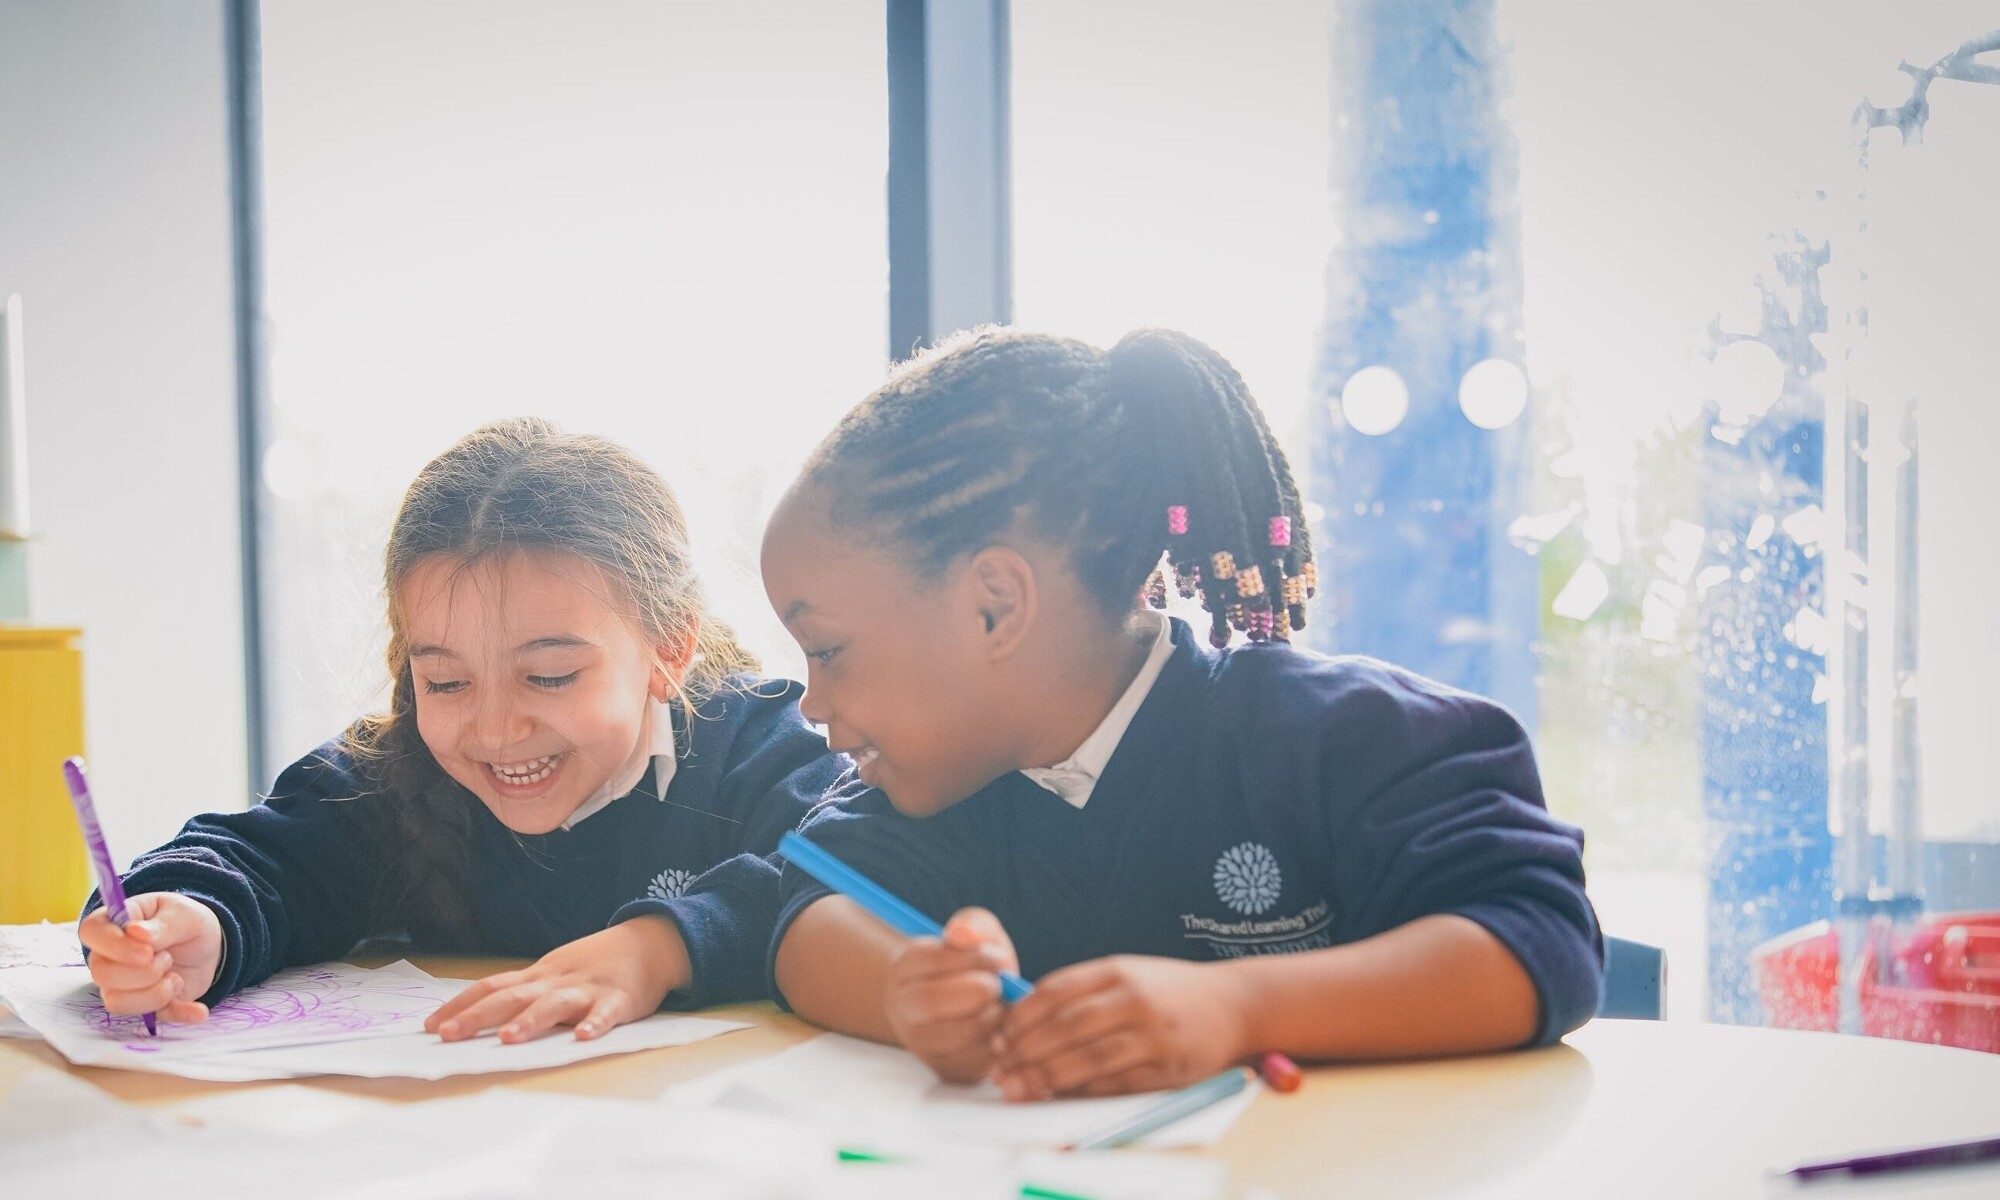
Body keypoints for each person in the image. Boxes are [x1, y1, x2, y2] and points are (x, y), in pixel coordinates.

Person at [760, 328, 1601, 1099]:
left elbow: (1540, 940)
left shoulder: (1343, 740)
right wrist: (911, 994)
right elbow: (809, 915)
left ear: (993, 606)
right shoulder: (951, 783)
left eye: (827, 650)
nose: (813, 701)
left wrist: (1239, 1006)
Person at [81, 417, 843, 1043]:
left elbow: (860, 867)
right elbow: (254, 859)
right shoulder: (398, 777)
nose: (495, 728)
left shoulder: (756, 744)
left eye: (548, 675)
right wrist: (190, 925)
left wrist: (661, 946)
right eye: (446, 682)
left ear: (668, 648)